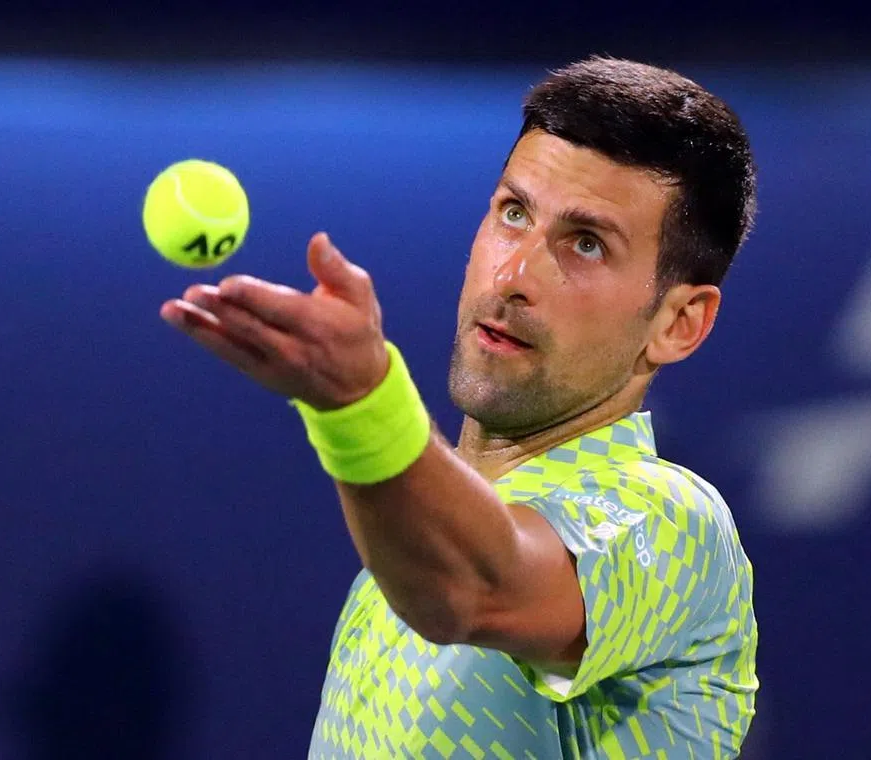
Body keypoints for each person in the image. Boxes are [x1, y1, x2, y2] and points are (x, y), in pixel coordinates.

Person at [161, 55, 759, 760]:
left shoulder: (676, 525)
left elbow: (475, 590)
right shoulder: (396, 569)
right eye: (514, 213)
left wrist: (362, 404)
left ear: (679, 323)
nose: (513, 275)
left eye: (587, 244)